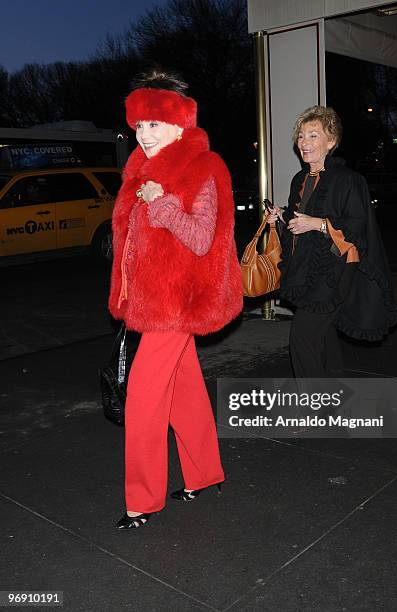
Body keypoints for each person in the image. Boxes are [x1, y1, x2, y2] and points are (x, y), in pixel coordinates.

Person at [108, 70, 243, 529]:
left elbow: (202, 238)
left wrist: (161, 202)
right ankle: (205, 473)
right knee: (184, 391)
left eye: (153, 124)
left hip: (179, 301)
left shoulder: (201, 166)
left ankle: (141, 500)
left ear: (179, 124)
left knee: (144, 397)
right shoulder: (141, 171)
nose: (143, 135)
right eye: (138, 126)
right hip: (150, 300)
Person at [267, 105, 397, 377]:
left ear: (331, 141)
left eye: (313, 135)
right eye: (301, 136)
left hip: (335, 269)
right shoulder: (300, 180)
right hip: (307, 268)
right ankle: (333, 395)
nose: (304, 142)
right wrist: (281, 217)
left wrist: (316, 224)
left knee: (303, 339)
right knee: (323, 334)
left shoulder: (349, 180)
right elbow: (299, 222)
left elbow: (356, 226)